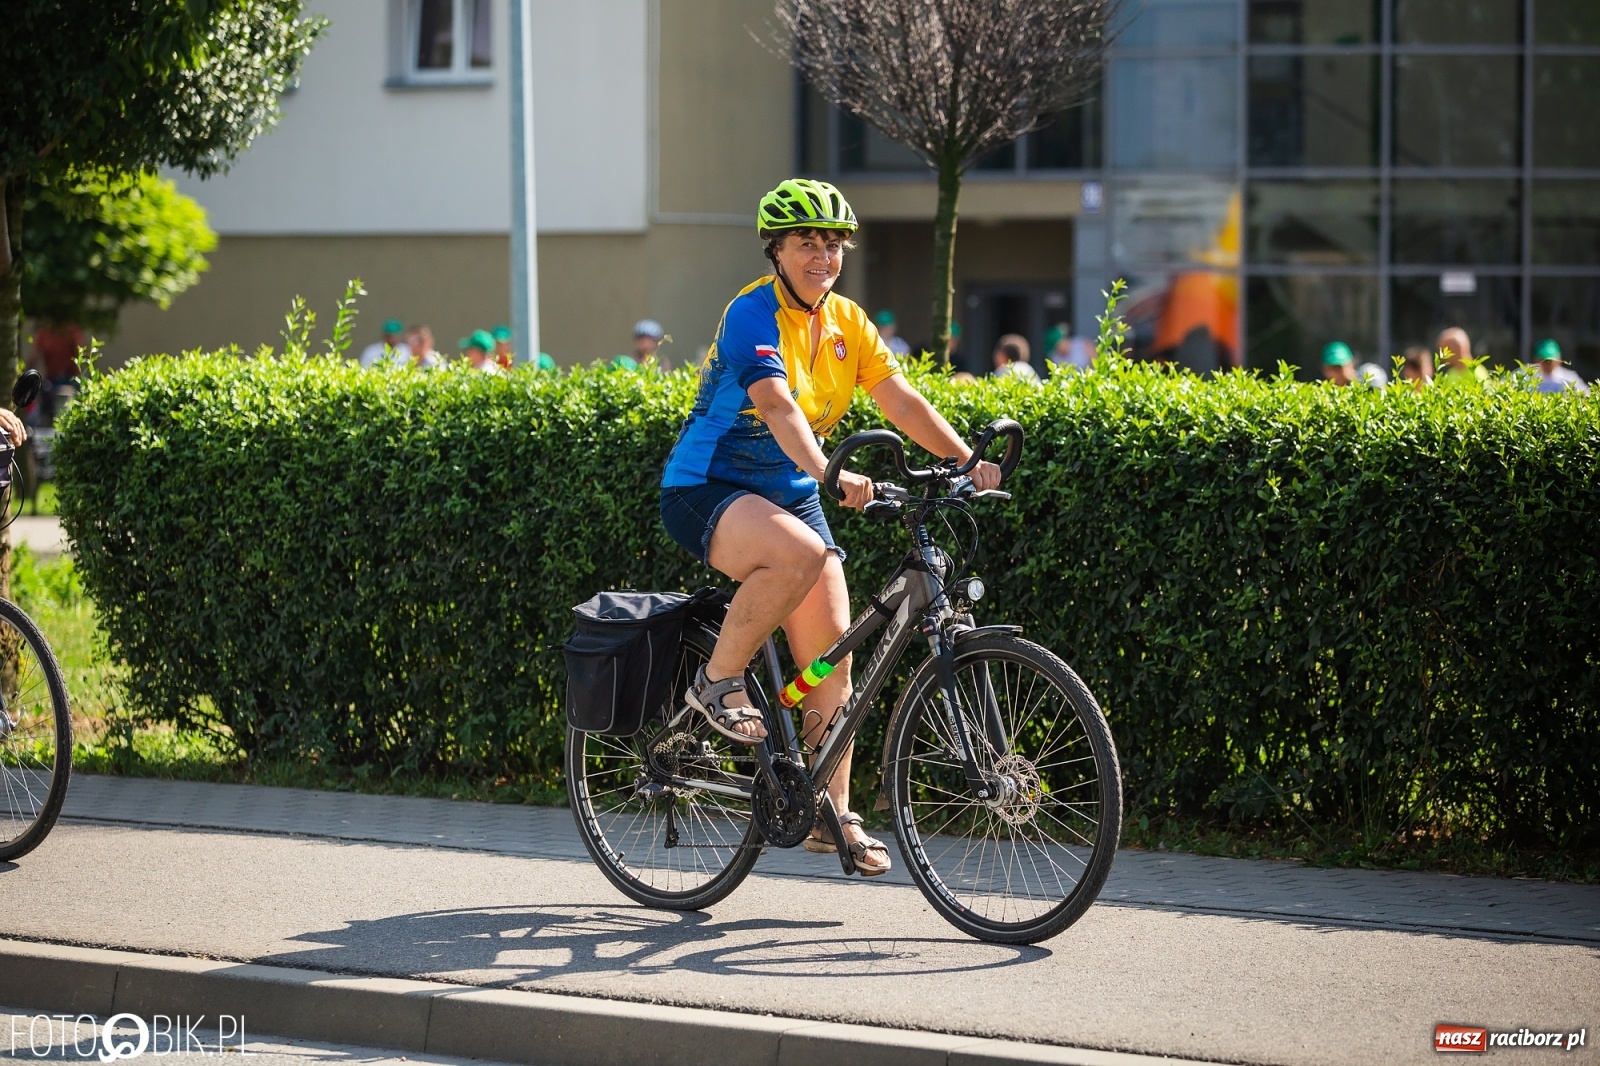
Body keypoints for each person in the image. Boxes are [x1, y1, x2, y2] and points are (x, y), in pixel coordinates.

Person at [659, 178, 1001, 877]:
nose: (823, 255)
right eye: (807, 243)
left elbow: (898, 397)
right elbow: (780, 409)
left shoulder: (847, 320)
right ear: (777, 250)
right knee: (799, 555)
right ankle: (718, 679)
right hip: (709, 485)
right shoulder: (752, 314)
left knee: (832, 655)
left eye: (833, 243)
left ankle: (830, 812)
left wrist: (966, 458)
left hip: (792, 488)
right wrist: (829, 474)